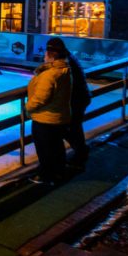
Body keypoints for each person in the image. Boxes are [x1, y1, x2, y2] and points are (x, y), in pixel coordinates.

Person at [26, 40, 73, 185]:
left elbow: (41, 98)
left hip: (45, 118)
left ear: (51, 55)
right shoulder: (64, 70)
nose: (44, 55)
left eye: (46, 53)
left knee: (45, 148)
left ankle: (46, 174)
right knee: (56, 146)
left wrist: (28, 108)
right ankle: (58, 171)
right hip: (58, 116)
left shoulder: (50, 74)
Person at [47, 37, 91, 168]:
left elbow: (61, 82)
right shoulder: (67, 58)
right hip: (79, 98)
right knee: (72, 127)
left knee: (68, 128)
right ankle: (80, 151)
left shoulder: (65, 62)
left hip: (76, 99)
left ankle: (80, 153)